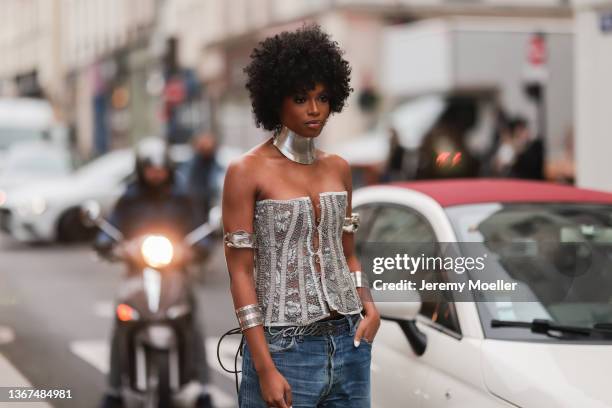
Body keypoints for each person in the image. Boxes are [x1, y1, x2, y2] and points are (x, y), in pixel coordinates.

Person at [222, 24, 380, 408]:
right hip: (284, 350)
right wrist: (264, 367)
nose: (314, 109)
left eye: (323, 97)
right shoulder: (246, 171)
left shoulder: (339, 168)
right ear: (276, 100)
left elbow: (347, 253)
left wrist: (369, 306)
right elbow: (240, 273)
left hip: (350, 342)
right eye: (300, 98)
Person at [95, 139, 214, 408]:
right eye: (151, 168)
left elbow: (200, 228)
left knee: (191, 321)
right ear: (141, 169)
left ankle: (203, 387)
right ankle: (114, 388)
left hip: (176, 272)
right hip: (136, 273)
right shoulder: (129, 197)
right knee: (122, 321)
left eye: (161, 168)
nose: (156, 174)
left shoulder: (182, 197)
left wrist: (200, 246)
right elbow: (110, 227)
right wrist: (107, 243)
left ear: (168, 169)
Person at [180, 131, 223, 224]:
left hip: (212, 214)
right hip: (192, 214)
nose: (206, 147)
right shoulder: (190, 166)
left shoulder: (219, 167)